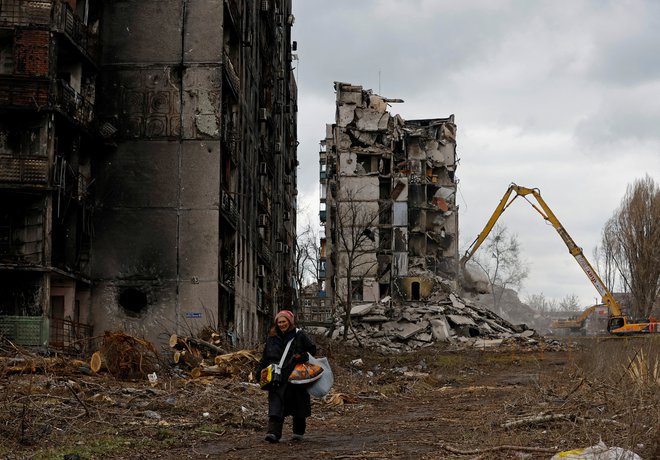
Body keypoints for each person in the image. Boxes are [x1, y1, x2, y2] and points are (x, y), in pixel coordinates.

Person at [256, 310, 317, 443]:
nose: (282, 324)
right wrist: (259, 372)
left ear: (290, 322)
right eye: (279, 322)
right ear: (276, 323)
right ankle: (273, 433)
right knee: (275, 404)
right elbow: (265, 357)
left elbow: (312, 350)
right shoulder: (271, 338)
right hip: (276, 376)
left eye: (284, 321)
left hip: (296, 375)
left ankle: (298, 432)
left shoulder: (299, 335)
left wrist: (302, 356)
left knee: (298, 404)